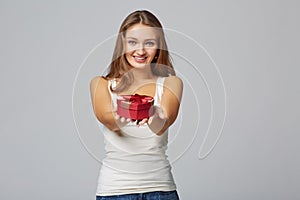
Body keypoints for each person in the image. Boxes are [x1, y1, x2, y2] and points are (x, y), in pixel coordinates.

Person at [90, 10, 183, 200]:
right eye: (132, 42)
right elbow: (110, 121)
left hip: (160, 190)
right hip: (114, 192)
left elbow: (161, 125)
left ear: (159, 47)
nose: (140, 51)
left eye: (149, 43)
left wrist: (155, 115)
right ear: (122, 45)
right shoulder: (101, 84)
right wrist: (124, 115)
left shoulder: (171, 83)